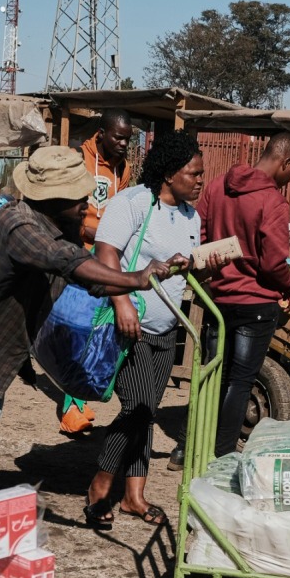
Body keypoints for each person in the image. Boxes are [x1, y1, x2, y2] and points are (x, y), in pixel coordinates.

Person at [0, 146, 183, 499]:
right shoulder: (19, 223)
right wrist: (136, 279)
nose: (86, 204)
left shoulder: (62, 227)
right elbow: (66, 261)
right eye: (78, 197)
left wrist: (147, 275)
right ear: (53, 198)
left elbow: (89, 278)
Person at [83, 131, 204, 527]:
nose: (200, 180)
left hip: (166, 330)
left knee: (146, 411)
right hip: (129, 325)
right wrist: (120, 303)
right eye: (193, 173)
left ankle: (134, 495)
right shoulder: (134, 202)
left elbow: (181, 266)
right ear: (169, 174)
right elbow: (106, 254)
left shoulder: (191, 217)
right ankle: (101, 485)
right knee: (138, 407)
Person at [197, 132, 290, 457]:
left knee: (212, 377)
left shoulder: (215, 186)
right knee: (239, 382)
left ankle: (192, 446)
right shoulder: (273, 201)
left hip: (217, 300)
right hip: (255, 305)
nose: (288, 180)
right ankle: (222, 454)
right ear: (285, 162)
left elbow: (198, 232)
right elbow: (272, 262)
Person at [61, 109, 135, 435]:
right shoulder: (79, 159)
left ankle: (79, 396)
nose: (123, 144)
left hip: (106, 255)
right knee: (78, 325)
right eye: (118, 137)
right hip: (79, 251)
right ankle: (68, 409)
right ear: (101, 134)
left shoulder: (125, 170)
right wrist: (87, 234)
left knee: (95, 326)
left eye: (127, 139)